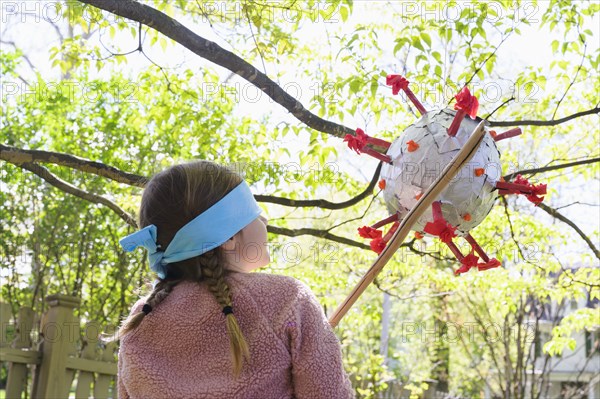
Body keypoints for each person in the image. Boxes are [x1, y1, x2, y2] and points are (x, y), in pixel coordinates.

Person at [109, 160, 354, 399]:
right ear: (227, 237)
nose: (265, 220)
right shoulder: (288, 300)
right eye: (254, 211)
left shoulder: (141, 318)